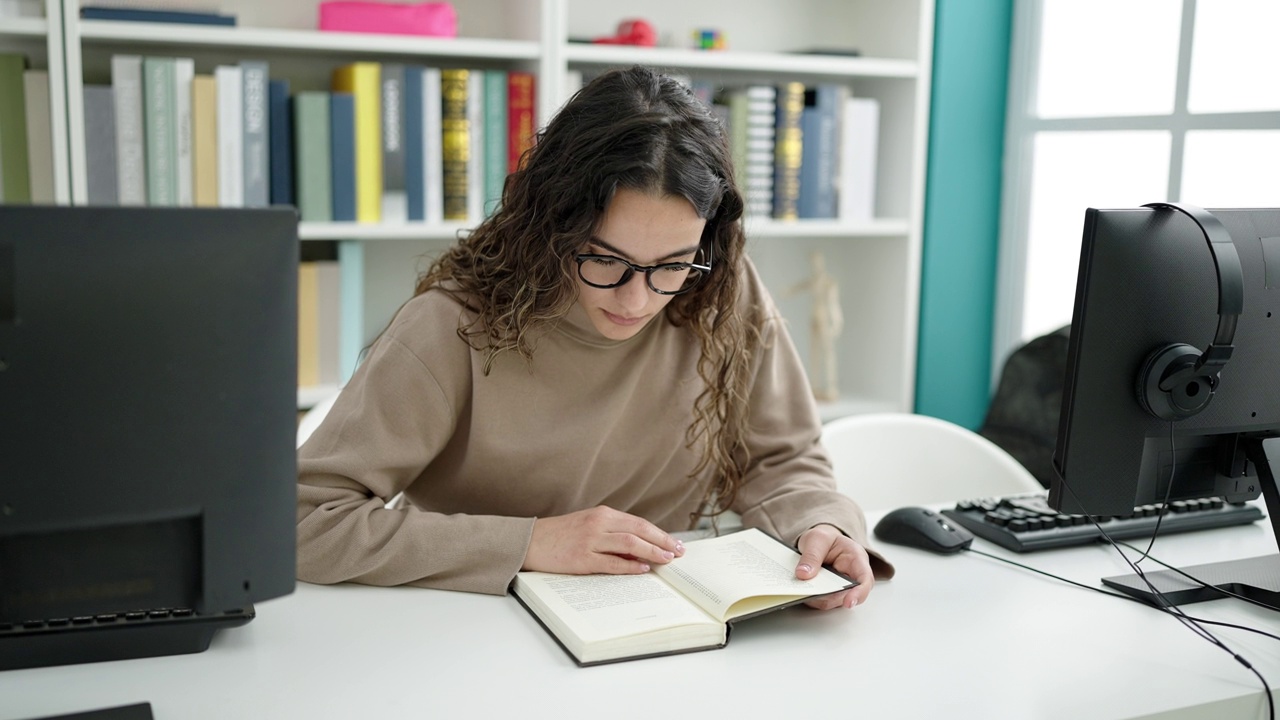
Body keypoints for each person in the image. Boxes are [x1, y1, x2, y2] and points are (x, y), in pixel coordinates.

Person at [296, 65, 894, 610]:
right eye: (606, 260)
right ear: (553, 223)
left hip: (673, 618)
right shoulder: (450, 325)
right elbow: (303, 523)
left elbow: (783, 459)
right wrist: (529, 542)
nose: (637, 301)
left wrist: (820, 525)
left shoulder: (717, 293)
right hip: (474, 625)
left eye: (671, 264)